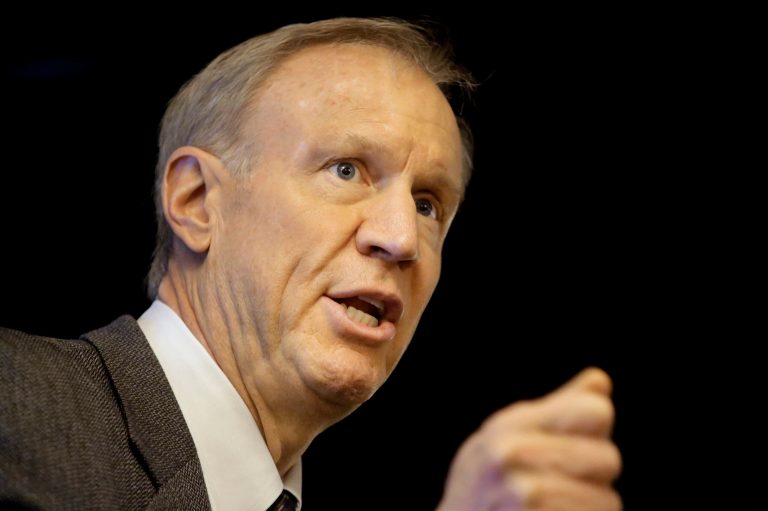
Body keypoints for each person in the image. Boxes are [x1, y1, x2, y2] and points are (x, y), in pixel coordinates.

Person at [0, 17, 621, 510]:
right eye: (346, 170)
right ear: (196, 203)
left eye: (429, 204)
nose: (401, 238)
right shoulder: (15, 401)